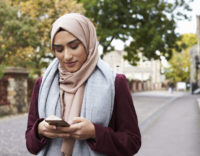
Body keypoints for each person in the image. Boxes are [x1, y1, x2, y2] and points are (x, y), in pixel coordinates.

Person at [25, 13, 141, 156]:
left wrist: (94, 132)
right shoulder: (43, 84)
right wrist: (39, 130)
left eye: (74, 46)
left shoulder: (115, 83)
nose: (67, 56)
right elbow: (30, 144)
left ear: (88, 43)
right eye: (59, 49)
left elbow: (132, 142)